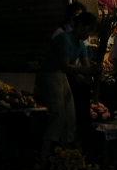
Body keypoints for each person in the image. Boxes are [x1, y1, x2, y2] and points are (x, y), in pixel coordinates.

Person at [36, 11, 98, 156]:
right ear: (80, 26)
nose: (88, 34)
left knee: (70, 116)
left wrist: (91, 73)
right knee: (58, 115)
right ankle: (46, 152)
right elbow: (65, 66)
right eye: (88, 30)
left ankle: (66, 153)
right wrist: (86, 71)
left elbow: (85, 67)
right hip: (50, 74)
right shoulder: (64, 39)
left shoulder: (81, 44)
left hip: (61, 76)